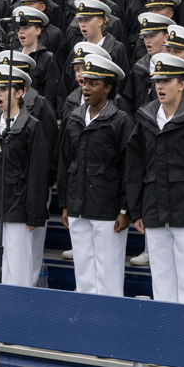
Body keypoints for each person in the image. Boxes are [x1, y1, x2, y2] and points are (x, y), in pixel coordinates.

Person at [125, 53, 184, 305]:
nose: (160, 87)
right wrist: (137, 210)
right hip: (155, 209)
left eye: (167, 81)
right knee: (161, 280)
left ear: (182, 85)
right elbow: (136, 166)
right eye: (157, 81)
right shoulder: (146, 118)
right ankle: (166, 327)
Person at [57, 53, 133, 296]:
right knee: (83, 270)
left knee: (108, 272)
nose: (86, 88)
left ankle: (109, 317)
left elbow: (129, 167)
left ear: (108, 88)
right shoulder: (74, 118)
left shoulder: (120, 121)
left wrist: (125, 209)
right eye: (85, 82)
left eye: (94, 83)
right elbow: (65, 162)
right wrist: (65, 203)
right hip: (78, 205)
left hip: (107, 208)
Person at [0, 65, 51, 287]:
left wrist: (34, 213)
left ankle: (20, 306)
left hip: (19, 205)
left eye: (4, 89)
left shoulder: (31, 126)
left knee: (19, 267)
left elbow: (38, 171)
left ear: (20, 92)